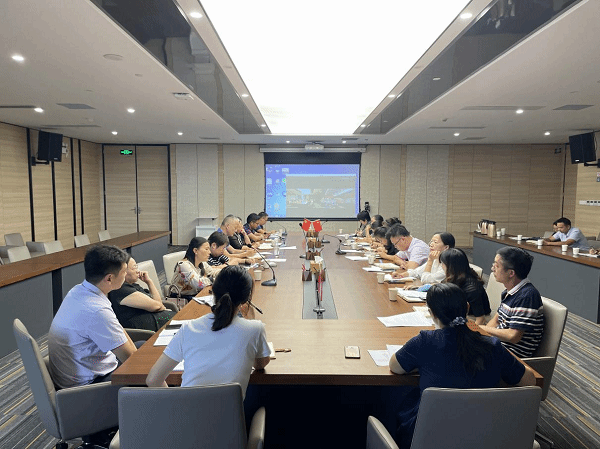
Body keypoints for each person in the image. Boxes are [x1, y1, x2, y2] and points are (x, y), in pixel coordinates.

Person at [389, 283, 536, 448]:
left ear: (431, 313)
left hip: (429, 438)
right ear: (467, 308)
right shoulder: (492, 346)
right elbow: (530, 380)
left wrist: (420, 364)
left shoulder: (425, 341)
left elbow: (395, 366)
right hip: (483, 437)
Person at [146, 266, 271, 397]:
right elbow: (260, 364)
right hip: (231, 410)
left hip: (186, 409)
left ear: (213, 292)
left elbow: (153, 380)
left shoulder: (188, 328)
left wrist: (177, 402)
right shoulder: (255, 329)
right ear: (246, 299)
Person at [49, 245, 137, 388]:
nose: (127, 274)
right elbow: (131, 357)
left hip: (78, 371)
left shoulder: (78, 290)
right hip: (88, 386)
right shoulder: (97, 310)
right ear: (109, 278)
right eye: (124, 271)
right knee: (149, 369)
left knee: (142, 347)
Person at [480, 247, 544, 358]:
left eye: (497, 266)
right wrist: (481, 336)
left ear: (511, 273)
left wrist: (480, 329)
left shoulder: (527, 296)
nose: (492, 268)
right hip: (497, 347)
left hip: (511, 356)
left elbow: (513, 336)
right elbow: (496, 320)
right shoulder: (509, 292)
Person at [108, 256, 176, 331]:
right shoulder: (120, 290)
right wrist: (160, 307)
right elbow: (158, 306)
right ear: (123, 271)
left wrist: (149, 282)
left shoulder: (133, 285)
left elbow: (158, 303)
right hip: (146, 330)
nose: (138, 271)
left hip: (159, 321)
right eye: (134, 268)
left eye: (136, 267)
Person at [439, 248, 491, 325]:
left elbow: (480, 320)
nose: (441, 266)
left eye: (443, 263)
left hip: (473, 319)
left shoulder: (472, 288)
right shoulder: (456, 277)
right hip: (462, 315)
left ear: (450, 266)